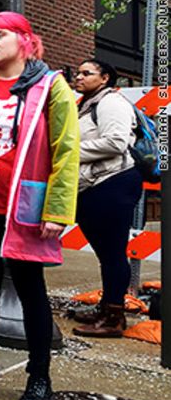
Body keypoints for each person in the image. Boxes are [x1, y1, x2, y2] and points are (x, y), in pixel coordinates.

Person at [0, 11, 80, 400]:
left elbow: (66, 150)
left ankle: (39, 376)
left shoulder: (51, 87)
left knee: (31, 292)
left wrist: (58, 209)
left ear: (25, 39)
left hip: (25, 208)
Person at [70, 59, 144, 338]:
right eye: (78, 72)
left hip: (113, 184)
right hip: (95, 185)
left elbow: (115, 142)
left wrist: (67, 152)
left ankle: (114, 318)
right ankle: (106, 308)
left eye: (87, 73)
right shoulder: (87, 105)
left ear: (104, 78)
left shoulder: (111, 103)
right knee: (106, 254)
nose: (79, 77)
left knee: (113, 253)